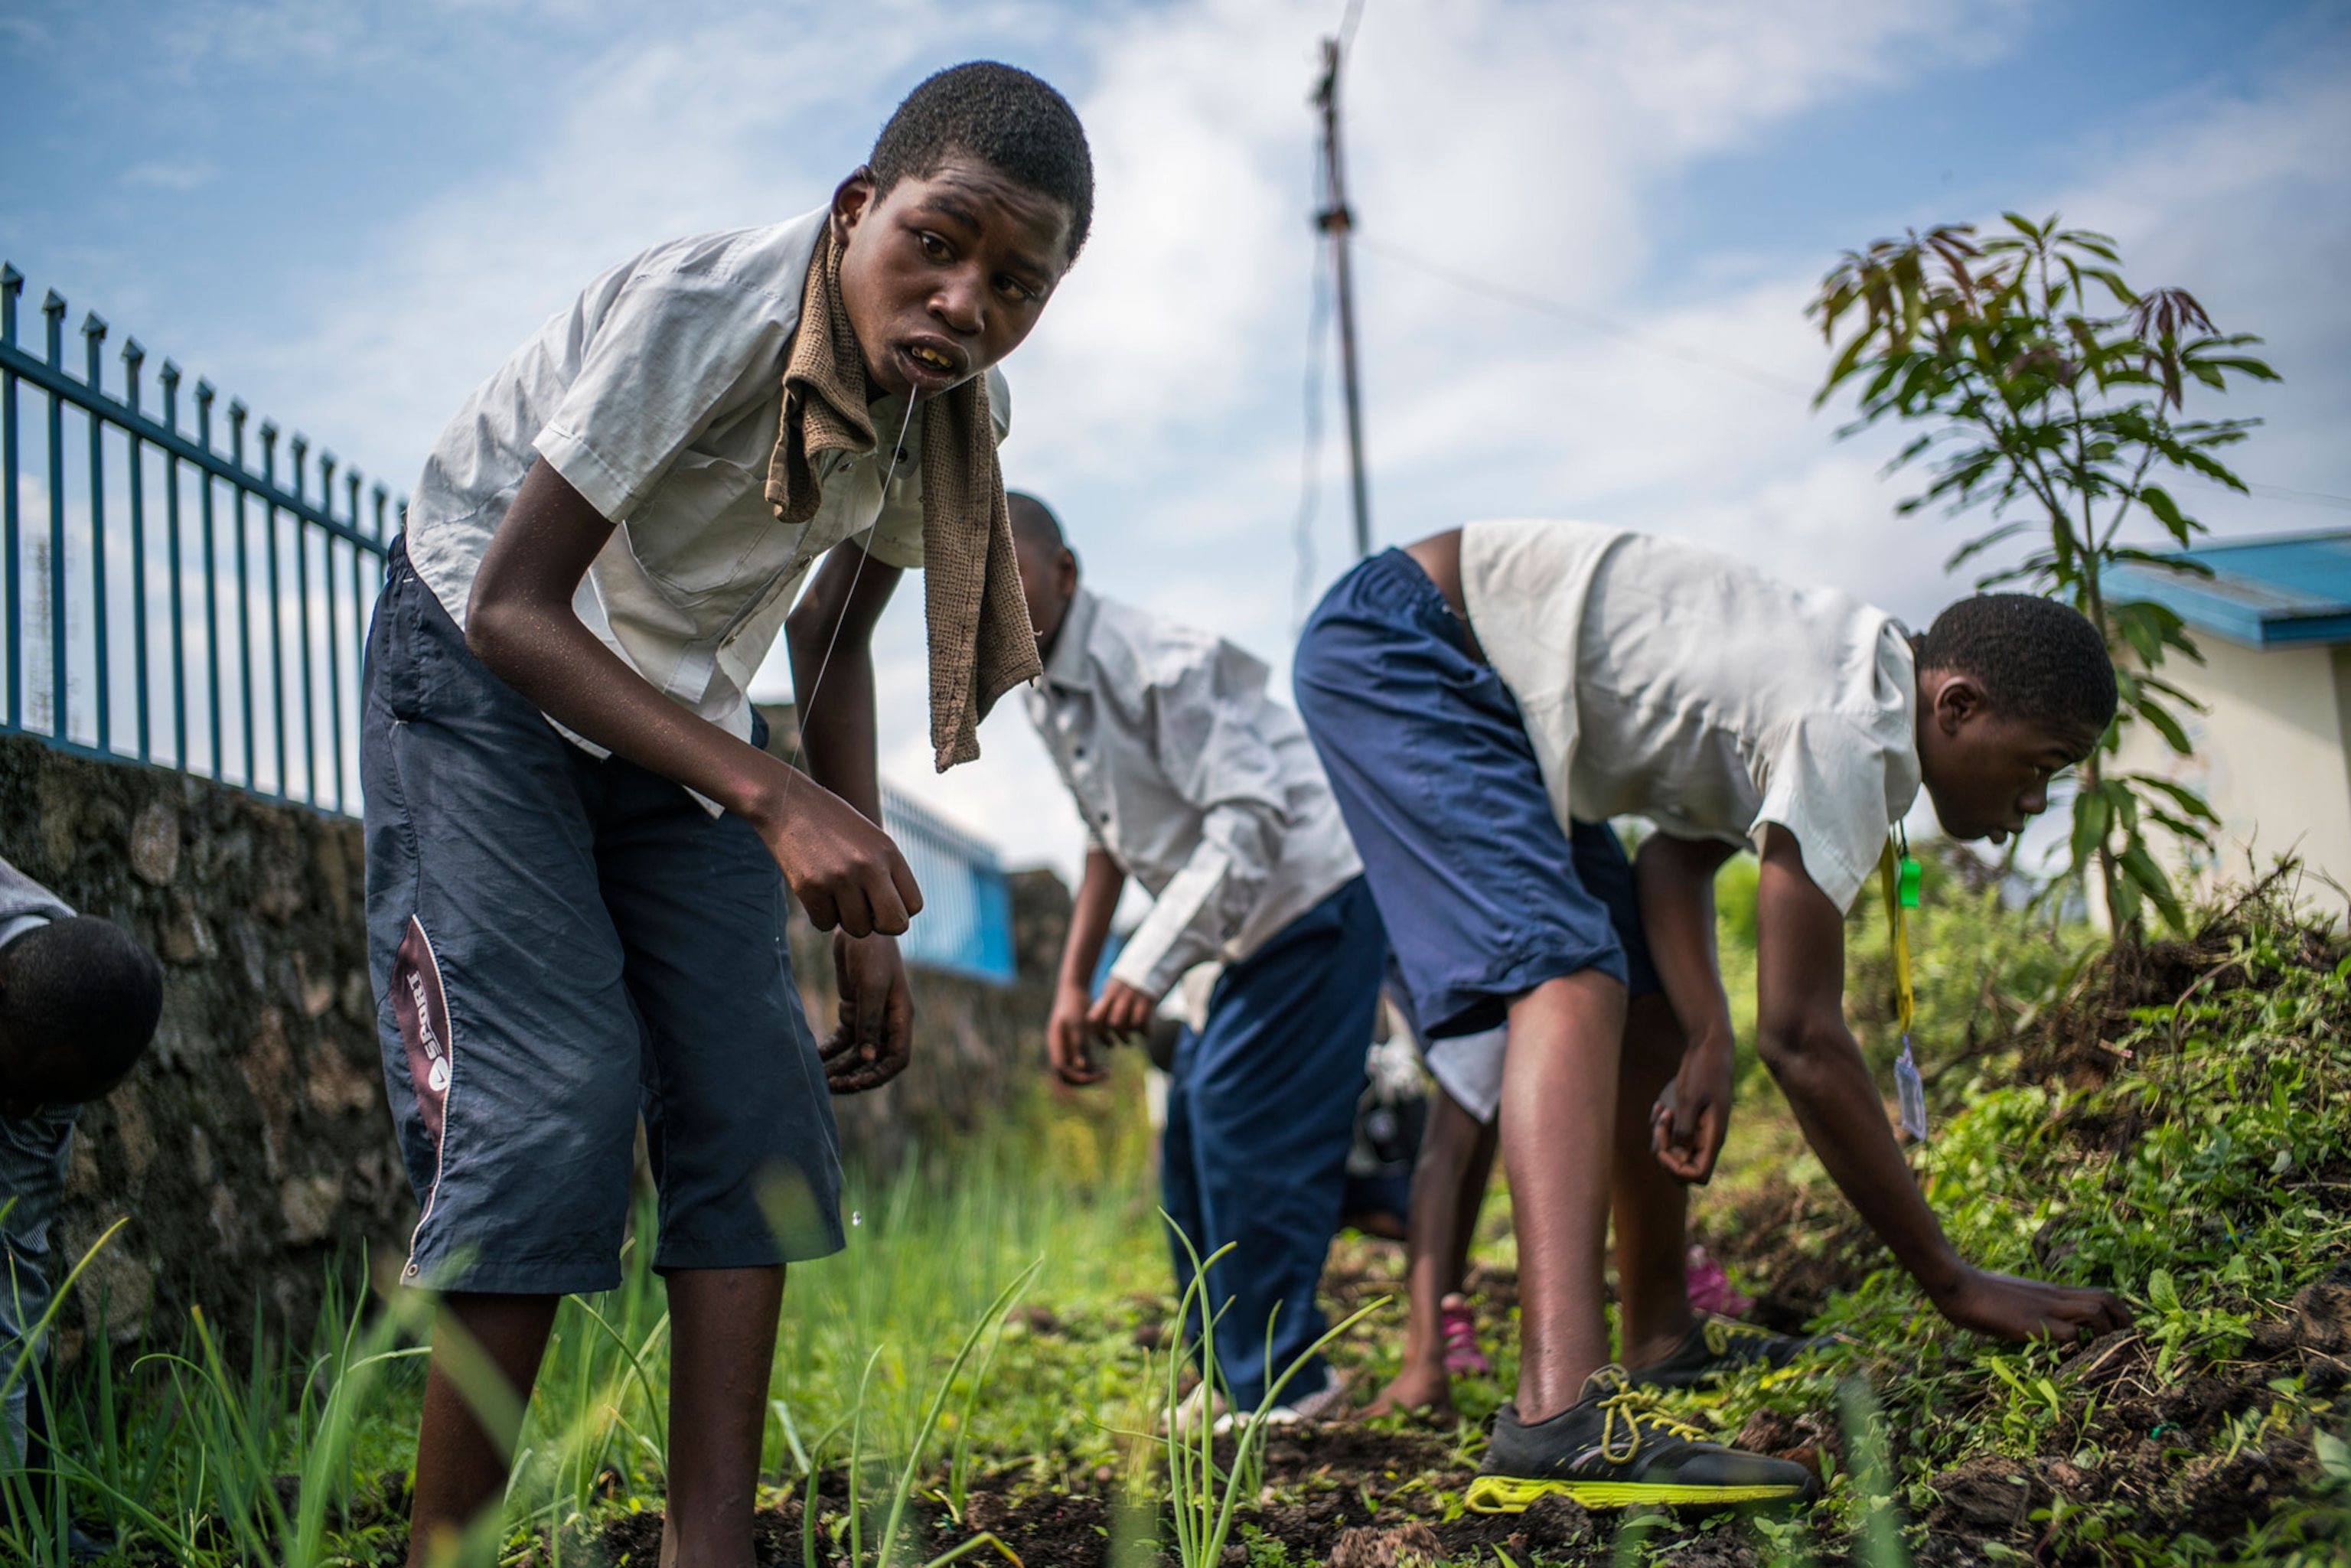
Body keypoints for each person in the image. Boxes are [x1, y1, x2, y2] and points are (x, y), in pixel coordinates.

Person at [365, 64, 1091, 1566]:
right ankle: (447, 1547)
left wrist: (865, 922)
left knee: (756, 1094)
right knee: (557, 1087)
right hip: (484, 653)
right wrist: (770, 794)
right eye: (939, 244)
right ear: (855, 209)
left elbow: (830, 642)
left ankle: (717, 1549)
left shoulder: (948, 413)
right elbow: (512, 601)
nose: (965, 302)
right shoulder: (710, 309)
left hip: (671, 703)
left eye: (1016, 284)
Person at [1293, 519, 2132, 1512]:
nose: (2036, 799)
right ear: (1958, 704)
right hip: (1410, 645)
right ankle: (1557, 1416)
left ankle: (1658, 1332)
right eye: (2040, 763)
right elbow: (1806, 1037)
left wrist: (1704, 1029)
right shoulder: (1852, 724)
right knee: (1569, 973)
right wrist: (1953, 1280)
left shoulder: (1856, 688)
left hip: (1471, 670)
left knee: (1644, 994)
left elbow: (1673, 862)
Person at [1009, 493, 1381, 1426]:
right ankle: (1227, 1372)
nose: (980, 606)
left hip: (1314, 895)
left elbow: (1251, 818)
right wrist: (1074, 982)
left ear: (1065, 572)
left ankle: (1292, 1384)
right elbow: (1107, 837)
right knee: (1189, 1134)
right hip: (1243, 923)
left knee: (1240, 1118)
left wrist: (1147, 965)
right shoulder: (1039, 687)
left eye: (1000, 575)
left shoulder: (1155, 664)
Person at [0, 857, 165, 1469]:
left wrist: (18, 1501)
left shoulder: (61, 1021)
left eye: (52, 1101)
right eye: (16, 1082)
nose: (22, 1110)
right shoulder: (35, 1001)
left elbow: (9, 1269)